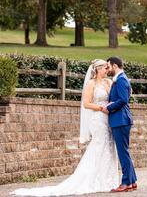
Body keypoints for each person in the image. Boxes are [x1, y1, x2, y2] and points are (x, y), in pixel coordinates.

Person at [10, 59, 119, 196]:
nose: (107, 70)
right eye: (105, 68)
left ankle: (108, 180)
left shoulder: (108, 82)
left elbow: (113, 98)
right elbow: (86, 104)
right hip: (98, 118)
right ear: (97, 69)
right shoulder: (91, 84)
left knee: (109, 147)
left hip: (108, 118)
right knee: (99, 146)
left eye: (107, 68)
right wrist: (102, 108)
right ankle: (92, 179)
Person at [104, 56, 137, 192]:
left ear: (115, 66)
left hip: (121, 120)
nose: (107, 69)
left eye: (108, 66)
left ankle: (125, 183)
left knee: (123, 152)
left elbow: (123, 100)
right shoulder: (119, 79)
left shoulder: (122, 79)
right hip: (120, 120)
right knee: (125, 152)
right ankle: (132, 181)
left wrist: (109, 107)